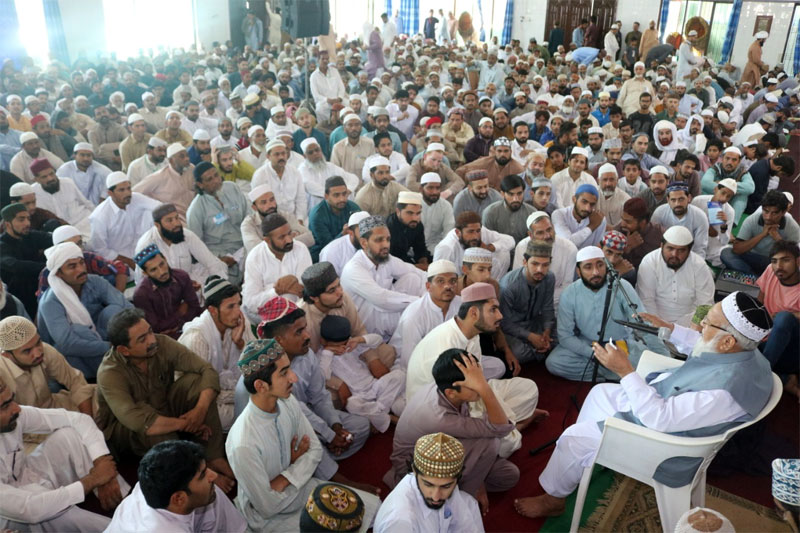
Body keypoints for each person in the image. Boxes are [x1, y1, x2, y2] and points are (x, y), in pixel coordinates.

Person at [514, 291, 775, 520]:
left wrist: (625, 371)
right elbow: (706, 343)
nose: (701, 324)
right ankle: (591, 457)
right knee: (599, 393)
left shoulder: (724, 393)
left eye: (708, 323)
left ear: (728, 341)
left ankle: (554, 498)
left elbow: (658, 419)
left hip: (668, 448)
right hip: (672, 414)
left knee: (573, 438)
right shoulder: (747, 353)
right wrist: (670, 328)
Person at [226, 339, 379, 531]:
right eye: (284, 373)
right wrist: (296, 465)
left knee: (372, 509)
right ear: (260, 386)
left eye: (289, 369)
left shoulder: (288, 402)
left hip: (301, 488)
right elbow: (267, 506)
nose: (294, 378)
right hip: (271, 516)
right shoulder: (243, 442)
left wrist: (285, 477)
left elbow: (315, 451)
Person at [96, 308, 236, 490]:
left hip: (164, 411)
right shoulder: (110, 372)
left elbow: (206, 370)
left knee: (196, 382)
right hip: (127, 432)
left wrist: (199, 411)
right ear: (124, 350)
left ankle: (213, 455)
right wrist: (188, 423)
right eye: (142, 339)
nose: (152, 340)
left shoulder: (161, 344)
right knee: (153, 425)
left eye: (149, 332)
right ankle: (196, 470)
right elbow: (137, 420)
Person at [405, 282, 540, 456]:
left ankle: (508, 427)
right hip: (444, 411)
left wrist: (494, 407)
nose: (500, 315)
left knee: (528, 388)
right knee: (505, 442)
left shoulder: (471, 334)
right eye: (493, 310)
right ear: (474, 313)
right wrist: (497, 414)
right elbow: (460, 399)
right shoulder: (446, 346)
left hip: (469, 393)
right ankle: (514, 428)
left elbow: (479, 383)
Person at [385, 350, 518, 508]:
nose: (481, 384)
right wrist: (484, 389)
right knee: (491, 443)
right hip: (418, 467)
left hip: (445, 445)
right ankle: (463, 499)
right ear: (451, 393)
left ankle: (464, 481)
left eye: (480, 378)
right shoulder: (438, 417)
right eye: (476, 384)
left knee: (508, 475)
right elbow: (501, 428)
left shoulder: (447, 385)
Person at [0, 377, 125, 532]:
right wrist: (93, 480)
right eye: (5, 406)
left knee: (69, 435)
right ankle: (125, 529)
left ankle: (119, 496)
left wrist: (101, 463)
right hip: (16, 515)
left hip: (29, 478)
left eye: (11, 399)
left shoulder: (14, 415)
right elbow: (30, 509)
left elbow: (78, 419)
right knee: (57, 512)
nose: (16, 409)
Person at [545, 246, 647, 382]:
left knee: (646, 363)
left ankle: (611, 372)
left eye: (600, 265)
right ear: (579, 271)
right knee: (555, 362)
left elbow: (641, 322)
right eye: (588, 267)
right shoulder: (569, 294)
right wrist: (595, 354)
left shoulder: (621, 286)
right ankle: (616, 374)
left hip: (619, 345)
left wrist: (660, 353)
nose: (596, 272)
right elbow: (565, 336)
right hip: (589, 346)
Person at [105, 440, 246, 533]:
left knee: (212, 495)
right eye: (202, 475)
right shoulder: (160, 528)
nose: (214, 476)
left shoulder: (154, 485)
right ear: (178, 499)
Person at [38, 242, 132, 379]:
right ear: (58, 274)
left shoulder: (93, 281)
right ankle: (110, 376)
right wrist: (111, 347)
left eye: (81, 263)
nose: (81, 269)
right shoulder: (50, 302)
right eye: (72, 266)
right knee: (79, 331)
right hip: (73, 355)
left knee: (114, 311)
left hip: (101, 337)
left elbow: (126, 307)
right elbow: (67, 343)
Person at [179, 276, 254, 430]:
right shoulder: (197, 338)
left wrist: (241, 344)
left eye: (239, 304)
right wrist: (241, 395)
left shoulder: (240, 322)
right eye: (230, 306)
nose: (237, 312)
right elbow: (198, 392)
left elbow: (258, 364)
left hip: (229, 395)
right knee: (252, 413)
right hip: (202, 403)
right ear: (212, 310)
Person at [375, 432, 483, 532]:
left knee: (469, 502)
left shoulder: (448, 481)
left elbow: (465, 525)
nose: (436, 497)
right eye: (428, 484)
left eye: (445, 486)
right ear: (414, 472)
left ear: (457, 479)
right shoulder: (400, 521)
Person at [340, 215, 426, 339]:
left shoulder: (386, 259)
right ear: (364, 243)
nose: (386, 244)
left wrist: (434, 286)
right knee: (412, 318)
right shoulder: (354, 268)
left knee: (413, 278)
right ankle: (402, 338)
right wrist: (421, 301)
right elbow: (381, 299)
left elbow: (416, 272)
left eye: (388, 239)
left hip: (385, 311)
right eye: (379, 240)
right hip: (364, 322)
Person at [317, 314, 405, 433]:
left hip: (375, 386)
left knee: (400, 375)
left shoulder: (352, 346)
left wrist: (358, 340)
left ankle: (378, 413)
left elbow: (377, 340)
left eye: (344, 344)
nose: (341, 348)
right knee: (352, 405)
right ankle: (390, 418)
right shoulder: (322, 356)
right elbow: (324, 376)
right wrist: (328, 351)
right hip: (359, 395)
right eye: (336, 346)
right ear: (323, 341)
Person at [0, 316, 94, 414]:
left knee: (100, 396)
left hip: (54, 408)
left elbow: (75, 382)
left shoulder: (44, 349)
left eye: (38, 343)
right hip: (23, 423)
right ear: (6, 355)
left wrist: (88, 420)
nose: (38, 353)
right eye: (27, 351)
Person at [636, 226, 714, 327]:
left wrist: (689, 331)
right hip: (655, 320)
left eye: (681, 250)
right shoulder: (649, 262)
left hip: (689, 323)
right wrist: (660, 326)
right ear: (662, 246)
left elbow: (705, 304)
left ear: (689, 250)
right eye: (670, 248)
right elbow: (646, 300)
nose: (674, 254)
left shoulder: (699, 265)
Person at [136, 203, 229, 288]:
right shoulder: (146, 245)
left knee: (218, 267)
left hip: (190, 281)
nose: (176, 223)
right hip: (163, 289)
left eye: (177, 218)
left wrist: (221, 289)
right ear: (157, 225)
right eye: (169, 220)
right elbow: (142, 281)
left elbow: (211, 262)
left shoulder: (186, 235)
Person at [242, 213, 312, 324]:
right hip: (268, 315)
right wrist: (276, 291)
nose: (289, 240)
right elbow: (251, 303)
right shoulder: (255, 258)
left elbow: (304, 290)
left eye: (289, 234)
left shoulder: (300, 249)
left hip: (298, 311)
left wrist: (275, 289)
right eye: (282, 237)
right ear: (267, 240)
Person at [390, 260, 461, 369]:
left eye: (452, 281)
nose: (448, 286)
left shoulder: (461, 305)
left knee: (495, 365)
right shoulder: (415, 313)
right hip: (416, 365)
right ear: (428, 286)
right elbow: (409, 360)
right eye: (441, 281)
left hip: (450, 360)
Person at [186, 161, 249, 283]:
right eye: (209, 179)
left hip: (244, 245)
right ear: (200, 184)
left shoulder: (232, 188)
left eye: (216, 175)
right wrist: (218, 259)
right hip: (220, 255)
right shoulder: (196, 209)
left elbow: (248, 215)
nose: (216, 180)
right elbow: (197, 246)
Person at [89, 171, 161, 269]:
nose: (127, 193)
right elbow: (100, 249)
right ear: (110, 193)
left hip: (141, 246)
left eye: (128, 188)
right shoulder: (99, 217)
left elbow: (160, 207)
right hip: (120, 256)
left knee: (151, 213)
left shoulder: (135, 198)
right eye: (121, 190)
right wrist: (129, 262)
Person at [499, 240, 556, 363]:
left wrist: (546, 331)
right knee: (519, 353)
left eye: (545, 265)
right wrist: (531, 337)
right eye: (535, 264)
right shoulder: (509, 285)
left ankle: (539, 348)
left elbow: (547, 308)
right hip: (513, 329)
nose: (540, 269)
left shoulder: (549, 278)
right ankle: (543, 351)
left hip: (535, 323)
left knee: (560, 336)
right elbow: (504, 323)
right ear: (525, 262)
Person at [133, 245, 202, 339]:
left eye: (162, 264)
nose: (162, 272)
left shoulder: (181, 276)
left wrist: (181, 326)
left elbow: (194, 307)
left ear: (165, 259)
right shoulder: (141, 294)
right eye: (153, 270)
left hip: (188, 327)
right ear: (145, 273)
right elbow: (154, 327)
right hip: (162, 338)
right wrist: (179, 313)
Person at [723, 191, 800, 274]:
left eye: (774, 213)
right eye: (766, 211)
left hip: (773, 262)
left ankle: (753, 276)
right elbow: (737, 249)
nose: (768, 217)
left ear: (784, 212)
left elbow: (794, 257)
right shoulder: (752, 219)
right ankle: (755, 278)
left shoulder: (792, 226)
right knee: (726, 253)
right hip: (752, 256)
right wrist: (762, 234)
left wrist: (777, 238)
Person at [757, 241, 800, 390]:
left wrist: (791, 315)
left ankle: (760, 372)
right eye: (774, 261)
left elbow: (783, 319)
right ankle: (784, 379)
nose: (779, 266)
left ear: (798, 261)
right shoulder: (771, 270)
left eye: (785, 260)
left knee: (784, 318)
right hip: (768, 342)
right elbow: (759, 302)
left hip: (793, 348)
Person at [513, 211, 578, 309]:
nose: (547, 236)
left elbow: (567, 287)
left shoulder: (570, 249)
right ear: (530, 235)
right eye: (540, 232)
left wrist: (541, 301)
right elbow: (518, 281)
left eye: (549, 230)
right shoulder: (522, 247)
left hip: (556, 305)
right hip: (526, 302)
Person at [0, 203, 51, 316]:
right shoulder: (2, 245)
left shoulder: (30, 236)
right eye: (21, 219)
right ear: (8, 224)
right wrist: (48, 266)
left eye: (28, 219)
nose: (27, 223)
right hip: (19, 296)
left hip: (40, 285)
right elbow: (15, 265)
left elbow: (53, 239)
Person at [434, 211, 514, 281]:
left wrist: (489, 247)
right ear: (458, 232)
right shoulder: (446, 247)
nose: (476, 236)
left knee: (503, 252)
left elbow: (510, 241)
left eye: (478, 231)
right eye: (470, 232)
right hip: (457, 287)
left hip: (482, 278)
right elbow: (438, 277)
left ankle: (492, 286)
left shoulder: (481, 231)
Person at [241, 184, 314, 256]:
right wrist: (291, 237)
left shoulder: (285, 215)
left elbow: (310, 238)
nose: (270, 205)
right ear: (254, 207)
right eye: (264, 202)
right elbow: (257, 251)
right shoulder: (248, 224)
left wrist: (275, 243)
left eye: (272, 200)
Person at [29, 157, 93, 238]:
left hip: (83, 224)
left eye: (51, 174)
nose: (50, 178)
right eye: (44, 177)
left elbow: (86, 203)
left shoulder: (68, 183)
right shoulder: (33, 193)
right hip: (61, 232)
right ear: (36, 180)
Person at [133, 143, 195, 220]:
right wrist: (152, 205)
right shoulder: (159, 177)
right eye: (182, 156)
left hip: (194, 213)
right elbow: (134, 193)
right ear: (171, 161)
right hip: (176, 218)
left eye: (187, 155)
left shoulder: (191, 168)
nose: (187, 159)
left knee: (213, 223)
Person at [309, 176, 361, 262]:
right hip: (323, 257)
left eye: (344, 194)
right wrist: (342, 234)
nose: (342, 199)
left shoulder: (353, 207)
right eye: (336, 195)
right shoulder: (317, 215)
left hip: (352, 251)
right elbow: (327, 246)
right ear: (326, 196)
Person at [700, 146, 755, 226]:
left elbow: (750, 188)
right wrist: (727, 189)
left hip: (731, 198)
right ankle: (710, 220)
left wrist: (724, 185)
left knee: (742, 196)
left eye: (734, 160)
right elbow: (705, 183)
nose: (730, 162)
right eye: (727, 158)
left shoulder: (742, 171)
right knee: (707, 191)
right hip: (716, 196)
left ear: (739, 161)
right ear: (722, 159)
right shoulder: (715, 169)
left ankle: (731, 224)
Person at [691, 179, 737, 267]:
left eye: (728, 196)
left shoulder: (730, 211)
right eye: (723, 193)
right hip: (695, 241)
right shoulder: (698, 201)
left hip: (713, 247)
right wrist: (705, 227)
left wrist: (723, 226)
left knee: (727, 257)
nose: (724, 199)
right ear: (716, 189)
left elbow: (724, 242)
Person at [481, 174, 536, 243]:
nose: (515, 199)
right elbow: (487, 241)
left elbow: (534, 240)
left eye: (519, 194)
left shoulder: (532, 213)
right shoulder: (490, 213)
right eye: (511, 194)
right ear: (502, 194)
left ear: (524, 192)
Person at [552, 184, 607, 248]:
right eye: (584, 202)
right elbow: (567, 244)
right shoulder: (559, 214)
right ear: (574, 199)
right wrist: (591, 226)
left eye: (592, 204)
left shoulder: (599, 219)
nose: (587, 208)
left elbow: (595, 249)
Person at [387, 191, 432, 268]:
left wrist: (424, 262)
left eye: (418, 213)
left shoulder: (417, 224)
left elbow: (420, 248)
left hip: (406, 259)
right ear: (398, 211)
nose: (415, 218)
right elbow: (390, 259)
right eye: (409, 213)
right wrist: (416, 267)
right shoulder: (388, 227)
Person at [319, 211, 371, 276]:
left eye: (370, 231)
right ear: (350, 233)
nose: (368, 236)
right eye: (363, 231)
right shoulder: (331, 251)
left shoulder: (376, 244)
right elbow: (328, 282)